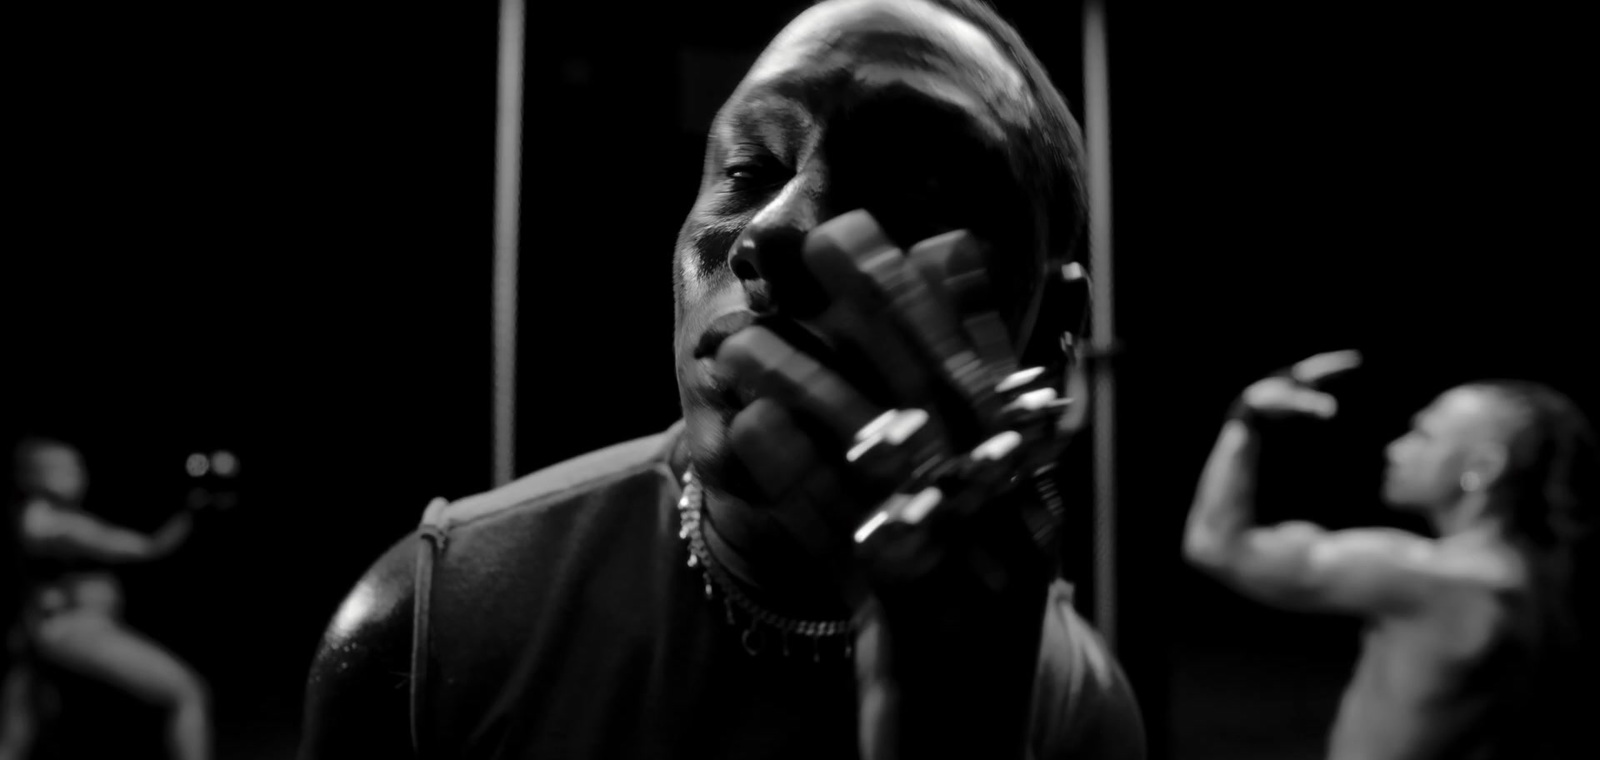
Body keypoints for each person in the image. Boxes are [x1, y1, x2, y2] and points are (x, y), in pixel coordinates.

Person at [299, 0, 1145, 758]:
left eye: (904, 190)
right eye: (749, 171)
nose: (772, 233)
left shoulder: (1072, 714)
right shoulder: (428, 624)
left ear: (1050, 329)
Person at [1183, 351, 1597, 759]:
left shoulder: (1429, 579)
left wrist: (1247, 419)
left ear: (1484, 467)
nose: (1396, 449)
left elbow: (1216, 545)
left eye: (1424, 435)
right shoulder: (1540, 582)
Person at [0, 437, 211, 760]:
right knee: (186, 692)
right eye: (65, 468)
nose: (78, 475)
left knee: (19, 737)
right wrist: (193, 510)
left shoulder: (42, 517)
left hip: (46, 636)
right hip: (71, 631)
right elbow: (145, 548)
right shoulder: (51, 522)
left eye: (78, 466)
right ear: (34, 475)